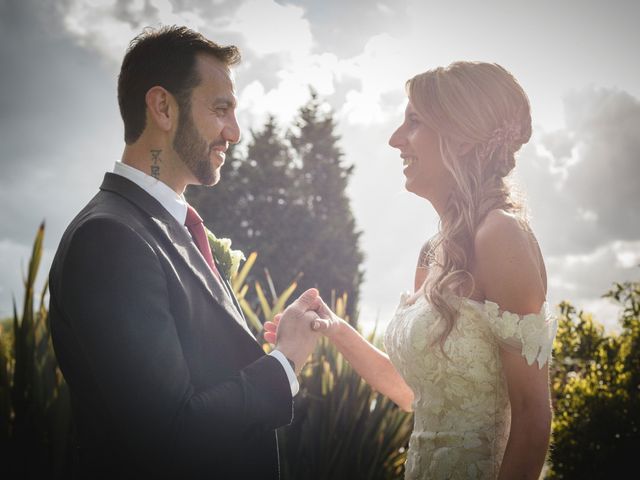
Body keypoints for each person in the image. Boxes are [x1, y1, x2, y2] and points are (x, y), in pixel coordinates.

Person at [48, 25, 322, 479]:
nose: (234, 132)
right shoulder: (110, 239)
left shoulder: (163, 227)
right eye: (221, 109)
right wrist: (284, 364)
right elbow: (170, 433)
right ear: (162, 108)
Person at [266, 61, 558, 479]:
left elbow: (532, 416)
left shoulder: (501, 236)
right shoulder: (432, 253)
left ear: (460, 137)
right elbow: (413, 394)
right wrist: (335, 329)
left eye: (414, 122)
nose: (394, 139)